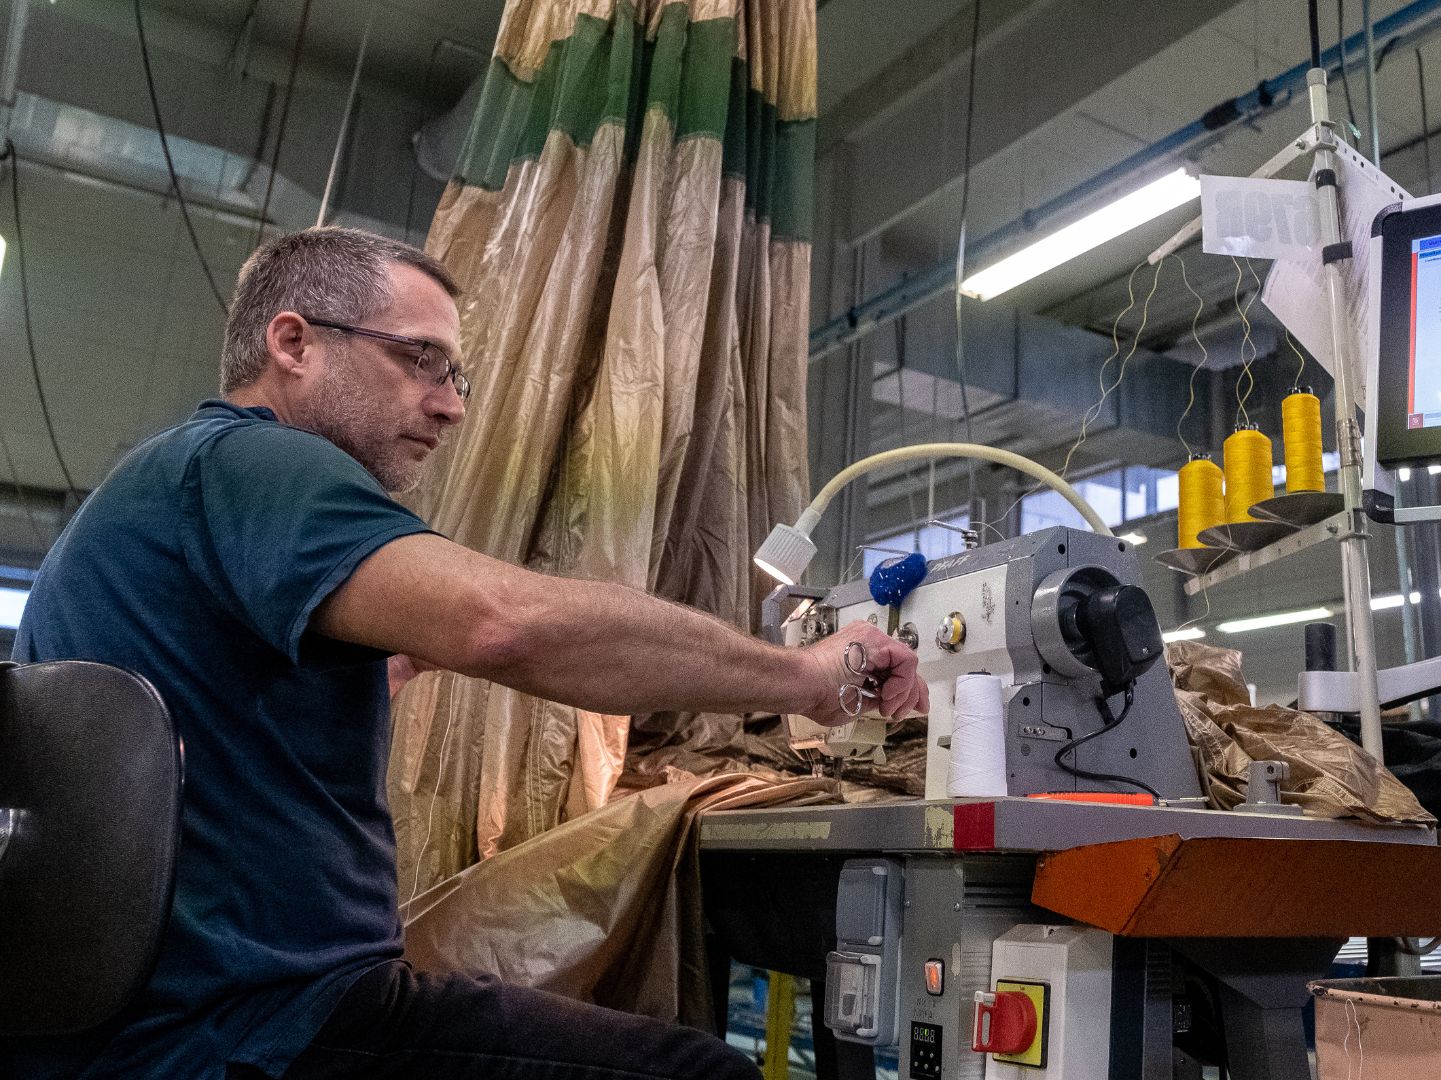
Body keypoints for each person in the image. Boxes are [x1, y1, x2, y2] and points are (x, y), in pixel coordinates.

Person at [1, 227, 928, 1080]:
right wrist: (808, 677)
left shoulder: (176, 484)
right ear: (293, 343)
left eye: (457, 377)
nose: (448, 407)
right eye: (418, 361)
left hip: (148, 1029)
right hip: (248, 1033)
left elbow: (233, 707)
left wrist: (397, 658)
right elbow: (503, 623)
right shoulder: (253, 461)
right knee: (705, 1073)